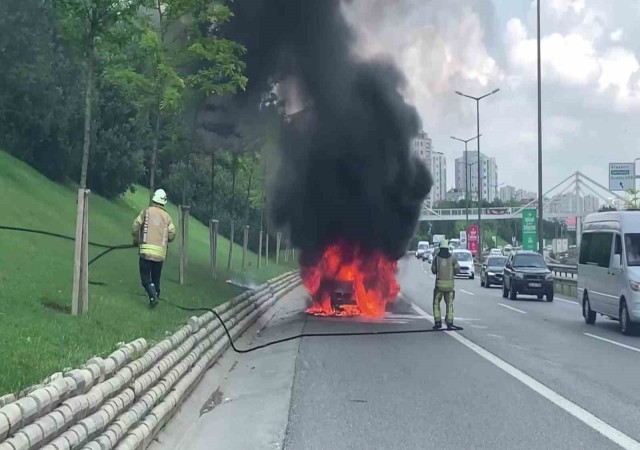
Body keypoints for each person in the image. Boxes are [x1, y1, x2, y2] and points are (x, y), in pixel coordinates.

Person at [132, 189, 176, 307]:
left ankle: (153, 296)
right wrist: (166, 239)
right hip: (160, 254)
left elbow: (136, 225)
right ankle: (156, 296)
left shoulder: (146, 212)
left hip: (146, 252)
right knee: (156, 278)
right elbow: (172, 233)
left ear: (154, 199)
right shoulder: (167, 217)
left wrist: (136, 240)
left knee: (145, 277)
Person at [431, 239, 460, 330]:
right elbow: (457, 270)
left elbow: (433, 270)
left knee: (436, 303)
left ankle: (438, 322)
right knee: (450, 304)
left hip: (439, 287)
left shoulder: (437, 258)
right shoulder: (453, 258)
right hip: (450, 287)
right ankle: (450, 323)